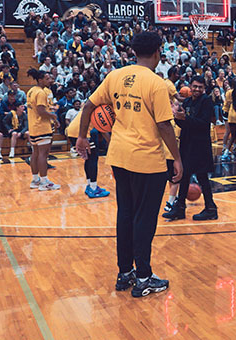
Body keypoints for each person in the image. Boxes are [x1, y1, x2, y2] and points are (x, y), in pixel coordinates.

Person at [77, 31, 182, 298]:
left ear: (134, 51)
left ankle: (125, 272)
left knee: (125, 215)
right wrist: (177, 157)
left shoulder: (115, 76)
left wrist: (81, 137)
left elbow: (88, 106)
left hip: (119, 157)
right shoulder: (156, 83)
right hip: (147, 160)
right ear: (158, 52)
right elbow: (164, 125)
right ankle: (144, 277)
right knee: (144, 220)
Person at [164, 76, 217, 222]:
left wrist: (185, 119)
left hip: (200, 145)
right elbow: (183, 125)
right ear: (190, 87)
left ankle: (211, 208)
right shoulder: (186, 102)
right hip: (187, 144)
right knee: (184, 176)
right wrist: (177, 118)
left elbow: (203, 123)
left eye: (200, 87)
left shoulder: (206, 101)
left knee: (202, 177)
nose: (197, 89)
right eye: (195, 86)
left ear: (204, 88)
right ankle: (180, 208)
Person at [25, 69, 60, 191]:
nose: (49, 80)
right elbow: (41, 111)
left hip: (33, 127)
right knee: (43, 155)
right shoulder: (41, 93)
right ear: (40, 80)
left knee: (35, 154)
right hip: (42, 127)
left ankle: (35, 180)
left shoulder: (31, 91)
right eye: (46, 78)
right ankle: (44, 181)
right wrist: (53, 116)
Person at [66, 107, 109, 199]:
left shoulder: (92, 103)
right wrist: (110, 142)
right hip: (82, 133)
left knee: (88, 159)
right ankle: (93, 188)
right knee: (93, 159)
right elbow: (102, 128)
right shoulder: (102, 108)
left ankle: (90, 185)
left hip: (72, 131)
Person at [220, 78, 236, 162]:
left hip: (231, 116)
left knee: (232, 136)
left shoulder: (229, 92)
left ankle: (226, 152)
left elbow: (226, 105)